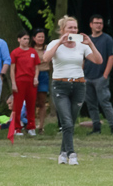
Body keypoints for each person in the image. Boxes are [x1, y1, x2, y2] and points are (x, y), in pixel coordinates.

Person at [43, 16, 103, 165]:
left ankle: (62, 153)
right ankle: (71, 153)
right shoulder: (54, 43)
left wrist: (91, 44)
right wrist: (59, 44)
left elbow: (98, 60)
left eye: (75, 28)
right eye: (70, 28)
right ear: (62, 30)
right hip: (60, 85)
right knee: (67, 122)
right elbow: (46, 58)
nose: (73, 30)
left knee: (70, 123)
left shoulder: (81, 45)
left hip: (78, 85)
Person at [83, 14, 113, 135]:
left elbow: (111, 57)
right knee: (91, 104)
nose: (99, 25)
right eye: (96, 23)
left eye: (101, 23)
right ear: (91, 25)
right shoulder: (86, 40)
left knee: (105, 102)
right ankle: (96, 128)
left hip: (100, 77)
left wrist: (105, 75)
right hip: (87, 76)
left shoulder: (107, 39)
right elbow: (82, 58)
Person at [9, 30, 39, 136]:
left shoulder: (33, 52)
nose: (26, 41)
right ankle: (17, 127)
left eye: (27, 39)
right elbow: (12, 69)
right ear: (19, 39)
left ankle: (31, 127)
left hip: (31, 82)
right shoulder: (15, 52)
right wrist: (13, 83)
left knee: (31, 105)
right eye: (24, 39)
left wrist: (36, 78)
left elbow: (37, 67)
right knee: (18, 105)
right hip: (19, 81)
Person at [31, 28, 51, 134]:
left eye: (42, 37)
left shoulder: (48, 48)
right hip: (32, 75)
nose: (41, 39)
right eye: (39, 37)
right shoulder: (30, 49)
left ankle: (41, 126)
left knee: (42, 101)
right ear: (34, 38)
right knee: (32, 102)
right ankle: (31, 125)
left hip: (44, 74)